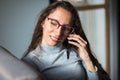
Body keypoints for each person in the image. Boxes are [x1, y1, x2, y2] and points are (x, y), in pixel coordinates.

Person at [22, 1, 110, 80]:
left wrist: (87, 60)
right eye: (53, 23)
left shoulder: (76, 51)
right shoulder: (30, 62)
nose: (58, 33)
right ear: (42, 22)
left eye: (66, 28)